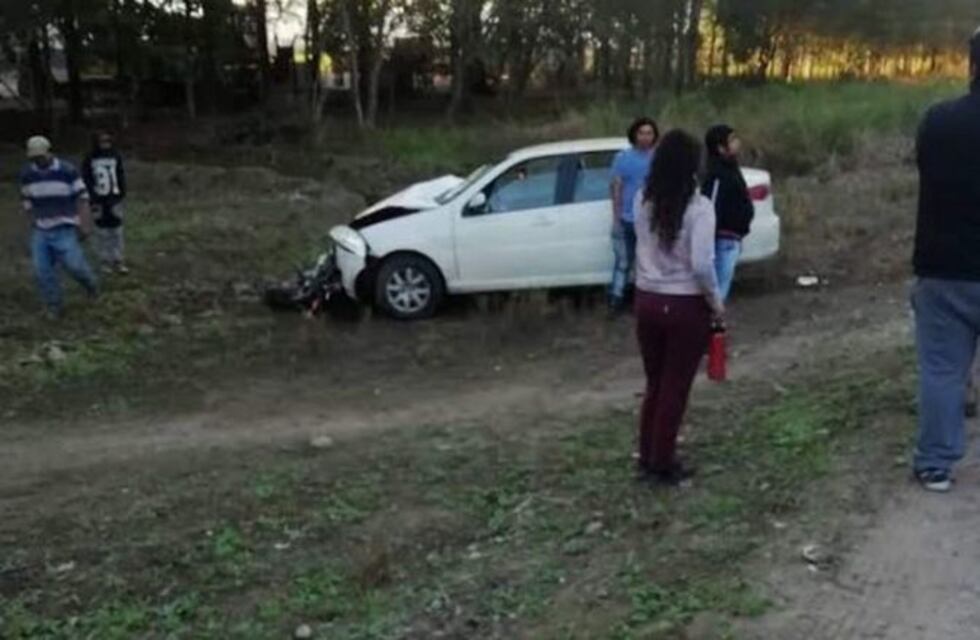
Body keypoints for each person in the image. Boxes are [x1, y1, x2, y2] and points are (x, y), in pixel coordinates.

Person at [633, 129, 724, 486]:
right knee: (675, 386)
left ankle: (647, 456)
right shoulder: (699, 209)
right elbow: (702, 265)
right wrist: (715, 301)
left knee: (655, 383)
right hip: (685, 303)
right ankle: (663, 462)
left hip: (647, 298)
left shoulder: (643, 200)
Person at [911, 27, 980, 493]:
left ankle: (935, 463)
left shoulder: (937, 121)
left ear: (971, 65)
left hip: (943, 270)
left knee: (942, 372)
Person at [19, 135, 98, 319]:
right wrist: (32, 222)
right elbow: (27, 201)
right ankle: (54, 306)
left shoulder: (67, 170)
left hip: (65, 226)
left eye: (41, 156)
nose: (38, 161)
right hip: (41, 229)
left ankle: (91, 285)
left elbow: (82, 198)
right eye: (34, 158)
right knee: (42, 270)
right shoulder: (27, 174)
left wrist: (84, 223)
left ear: (49, 153)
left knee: (75, 265)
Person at [609, 117, 659, 313]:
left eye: (649, 133)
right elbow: (616, 189)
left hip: (650, 220)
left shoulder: (658, 158)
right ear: (634, 134)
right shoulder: (623, 158)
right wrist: (616, 219)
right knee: (623, 262)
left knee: (647, 262)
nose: (645, 137)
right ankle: (616, 299)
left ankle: (644, 302)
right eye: (641, 133)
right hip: (627, 219)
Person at [702, 124, 754, 301]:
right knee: (716, 291)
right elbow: (711, 206)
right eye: (732, 140)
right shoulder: (717, 174)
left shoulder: (731, 168)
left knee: (721, 288)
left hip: (733, 237)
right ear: (720, 148)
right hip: (723, 239)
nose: (737, 143)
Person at [82, 131, 129, 274]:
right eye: (102, 141)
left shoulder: (115, 156)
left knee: (117, 231)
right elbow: (87, 178)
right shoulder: (90, 158)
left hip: (114, 197)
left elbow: (120, 174)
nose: (105, 144)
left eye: (108, 141)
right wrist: (92, 197)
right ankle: (104, 261)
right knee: (102, 232)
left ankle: (118, 260)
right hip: (98, 199)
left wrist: (121, 193)